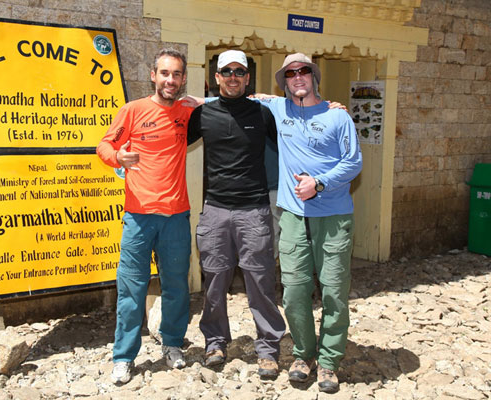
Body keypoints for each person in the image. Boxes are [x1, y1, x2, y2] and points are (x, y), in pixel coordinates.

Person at [257, 53, 362, 393]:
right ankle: (304, 354)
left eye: (303, 71)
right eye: (290, 74)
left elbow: (353, 163)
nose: (297, 77)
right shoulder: (279, 109)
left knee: (334, 292)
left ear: (314, 77)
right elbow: (237, 99)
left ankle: (329, 361)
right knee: (294, 293)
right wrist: (185, 99)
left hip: (332, 217)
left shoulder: (337, 117)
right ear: (284, 82)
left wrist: (318, 183)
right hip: (292, 217)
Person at [97, 48, 194, 384]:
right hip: (138, 217)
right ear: (153, 75)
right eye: (164, 73)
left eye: (177, 74)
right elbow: (103, 146)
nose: (170, 80)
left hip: (176, 216)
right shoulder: (133, 110)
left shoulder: (187, 111)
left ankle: (172, 344)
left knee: (177, 288)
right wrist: (117, 158)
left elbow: (232, 103)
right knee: (131, 290)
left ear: (183, 79)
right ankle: (123, 357)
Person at [187, 50, 287, 379]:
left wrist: (328, 107)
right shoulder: (202, 114)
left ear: (247, 78)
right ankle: (215, 341)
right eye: (226, 71)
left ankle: (269, 347)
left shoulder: (263, 114)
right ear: (216, 77)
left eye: (239, 72)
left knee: (261, 280)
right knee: (215, 279)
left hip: (255, 210)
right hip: (215, 210)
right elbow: (167, 133)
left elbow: (297, 127)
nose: (232, 77)